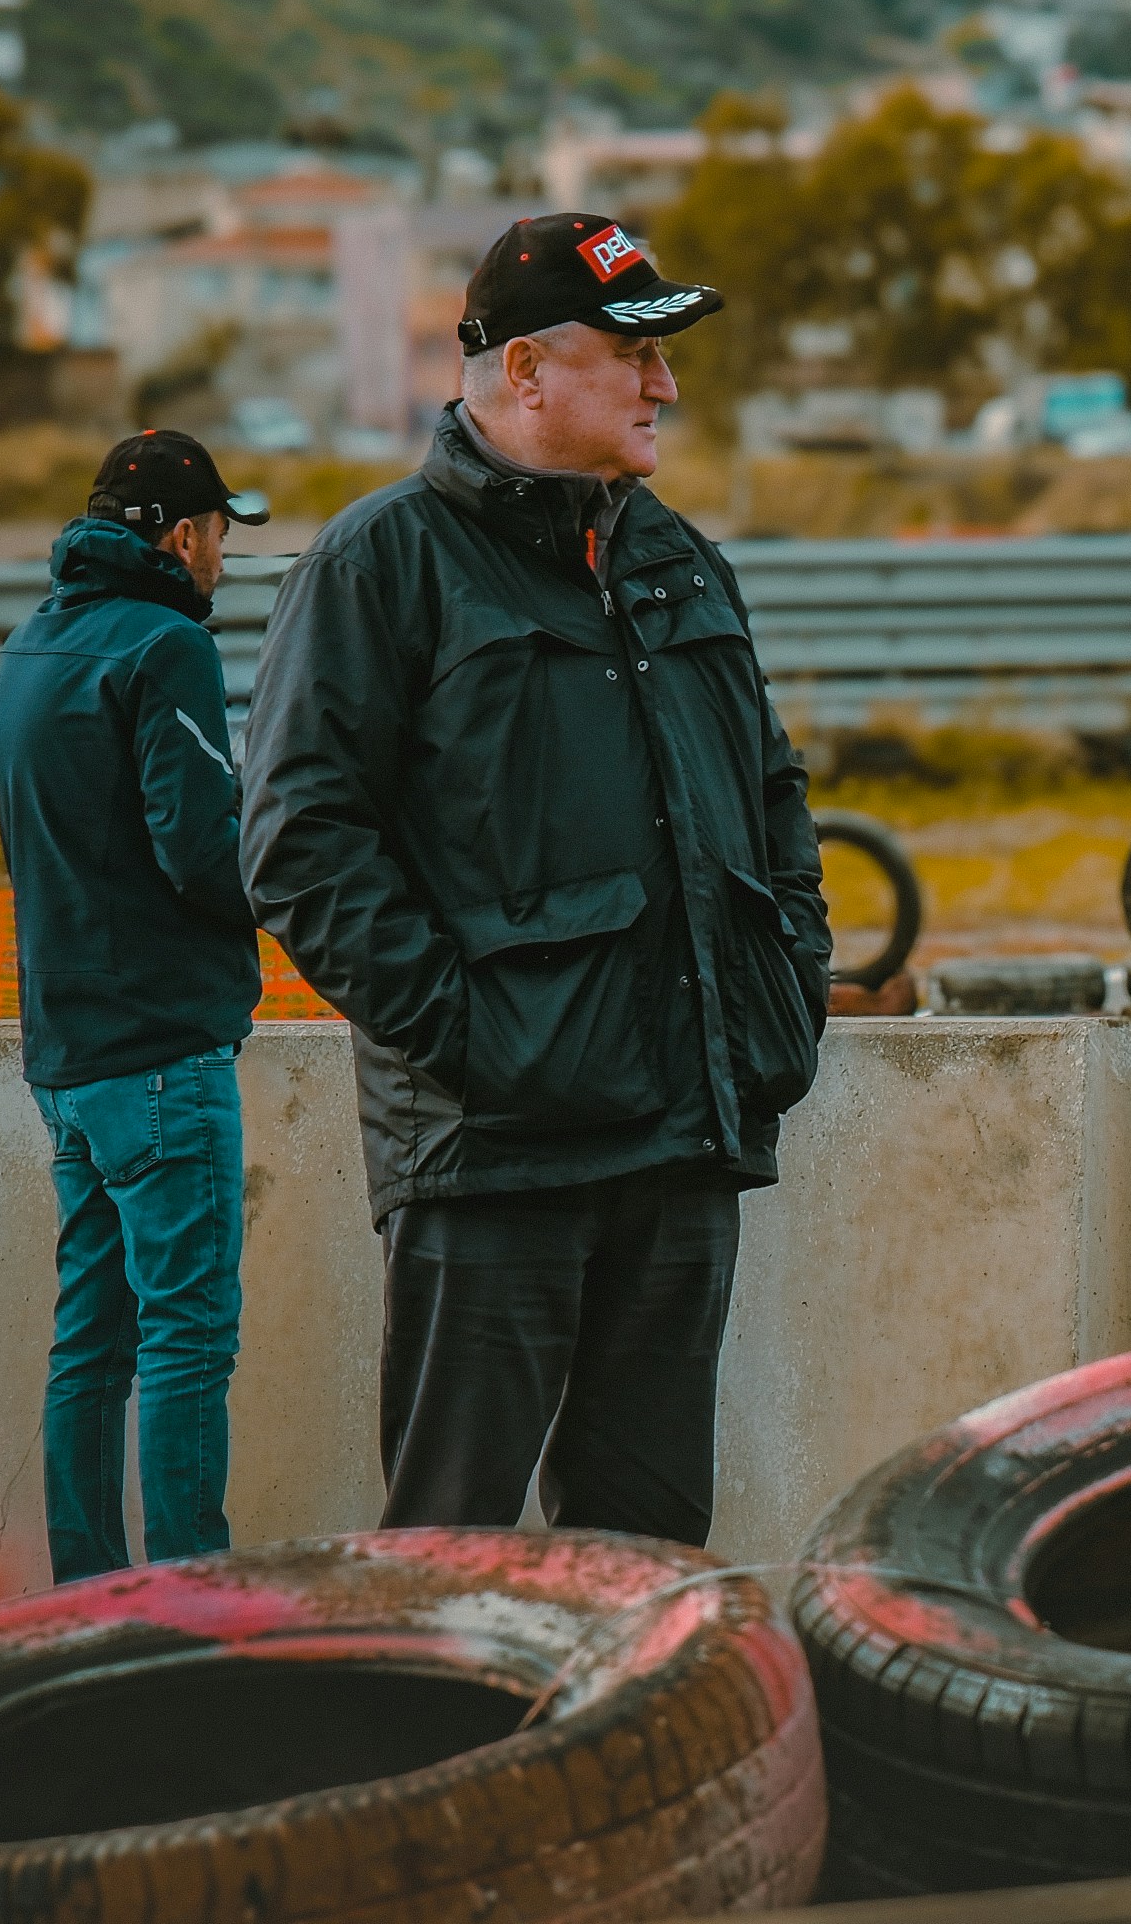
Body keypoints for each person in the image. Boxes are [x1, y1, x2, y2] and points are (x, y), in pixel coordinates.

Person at [242, 213, 831, 1542]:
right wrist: (479, 1043)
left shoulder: (677, 559)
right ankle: (434, 1754)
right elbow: (300, 844)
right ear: (524, 372)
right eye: (636, 353)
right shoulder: (377, 565)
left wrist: (785, 988)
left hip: (683, 1136)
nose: (665, 385)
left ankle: (630, 1761)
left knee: (649, 1564)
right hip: (494, 1159)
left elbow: (772, 797)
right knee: (452, 1553)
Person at [0, 429, 275, 1582]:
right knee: (190, 1341)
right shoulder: (167, 647)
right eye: (215, 532)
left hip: (65, 1058)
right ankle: (188, 1608)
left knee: (90, 1347)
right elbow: (202, 849)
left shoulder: (29, 646)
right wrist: (286, 844)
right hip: (164, 1054)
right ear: (177, 531)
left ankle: (90, 1600)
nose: (220, 557)